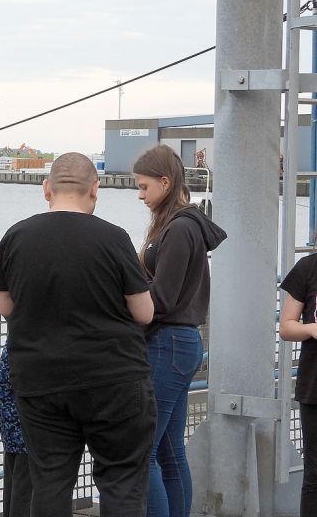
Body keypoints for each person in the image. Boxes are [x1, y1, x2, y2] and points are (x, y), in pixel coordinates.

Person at [0, 152, 156, 516]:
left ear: (46, 189)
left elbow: (6, 307)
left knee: (50, 481)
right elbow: (144, 312)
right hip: (114, 380)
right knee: (121, 481)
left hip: (41, 381)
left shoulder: (16, 236)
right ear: (94, 190)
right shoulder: (114, 237)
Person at [134, 144, 226, 517]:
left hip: (167, 343)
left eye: (143, 187)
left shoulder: (178, 229)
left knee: (144, 453)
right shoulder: (186, 225)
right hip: (183, 343)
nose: (140, 195)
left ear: (165, 182)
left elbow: (163, 298)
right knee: (170, 451)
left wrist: (129, 303)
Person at [280, 253, 317, 517]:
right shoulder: (308, 267)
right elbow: (287, 327)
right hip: (315, 387)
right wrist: (313, 329)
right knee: (314, 476)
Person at [0, 343, 31, 517]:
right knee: (25, 492)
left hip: (10, 425)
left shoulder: (12, 346)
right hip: (31, 430)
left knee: (14, 484)